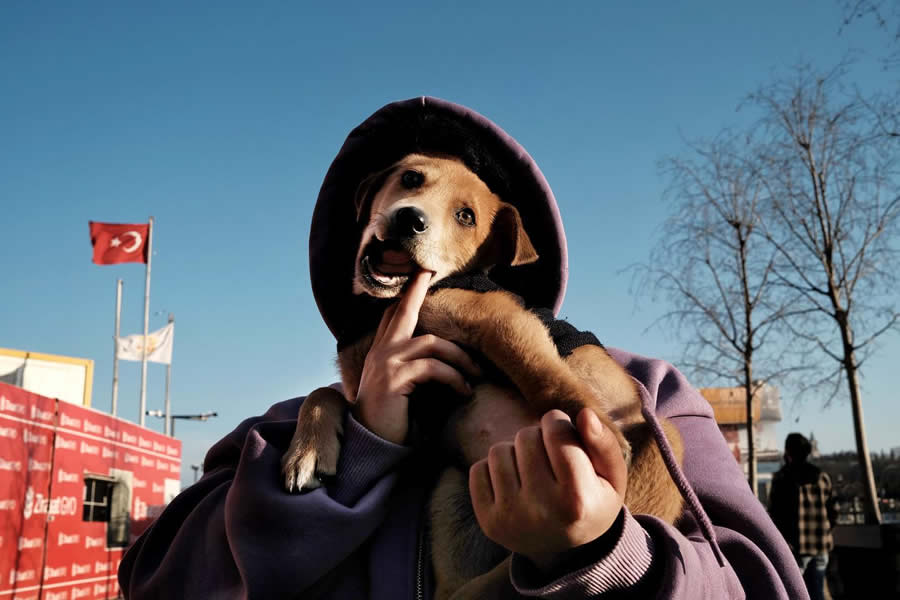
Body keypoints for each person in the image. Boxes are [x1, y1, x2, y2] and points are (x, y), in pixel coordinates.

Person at [118, 97, 808, 599]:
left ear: (496, 255)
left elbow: (768, 585)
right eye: (409, 182)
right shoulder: (276, 435)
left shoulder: (652, 394)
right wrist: (359, 440)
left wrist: (611, 550)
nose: (417, 210)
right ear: (368, 206)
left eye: (464, 215)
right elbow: (152, 577)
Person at [768, 433, 835, 600]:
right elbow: (833, 511)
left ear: (788, 452)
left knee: (794, 593)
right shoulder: (822, 477)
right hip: (820, 545)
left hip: (795, 548)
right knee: (817, 591)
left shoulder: (782, 478)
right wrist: (826, 531)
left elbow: (775, 515)